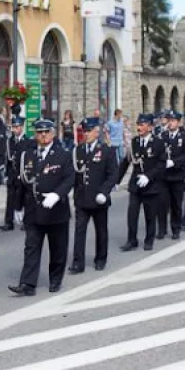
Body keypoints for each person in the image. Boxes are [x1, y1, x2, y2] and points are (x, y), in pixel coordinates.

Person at [8, 119, 74, 295]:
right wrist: (18, 206)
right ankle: (27, 284)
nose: (43, 135)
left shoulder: (63, 155)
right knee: (31, 247)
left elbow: (69, 179)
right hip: (33, 209)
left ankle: (55, 279)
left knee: (57, 248)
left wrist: (57, 194)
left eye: (46, 132)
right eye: (39, 132)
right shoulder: (27, 155)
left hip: (56, 211)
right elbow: (21, 182)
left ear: (53, 133)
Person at [70, 117, 117, 273]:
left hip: (99, 199)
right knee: (79, 231)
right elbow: (74, 175)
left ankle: (101, 258)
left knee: (101, 230)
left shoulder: (107, 151)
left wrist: (104, 192)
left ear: (97, 132)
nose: (86, 134)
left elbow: (113, 175)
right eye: (84, 131)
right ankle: (78, 262)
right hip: (82, 198)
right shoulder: (78, 150)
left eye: (89, 131)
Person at [117, 113, 166, 251]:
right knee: (132, 214)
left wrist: (149, 177)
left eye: (142, 125)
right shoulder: (134, 142)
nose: (139, 127)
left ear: (150, 127)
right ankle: (131, 240)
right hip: (135, 184)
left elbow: (161, 164)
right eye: (138, 124)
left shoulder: (158, 143)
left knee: (150, 214)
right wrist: (116, 181)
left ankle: (149, 240)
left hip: (151, 185)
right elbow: (125, 163)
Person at [158, 111, 185, 240]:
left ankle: (175, 228)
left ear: (178, 122)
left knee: (176, 204)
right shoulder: (163, 136)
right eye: (169, 120)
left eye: (173, 120)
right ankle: (162, 229)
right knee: (162, 204)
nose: (170, 123)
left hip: (177, 176)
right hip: (164, 176)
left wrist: (175, 162)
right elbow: (158, 151)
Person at [3, 116, 30, 231]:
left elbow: (29, 159)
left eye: (17, 127)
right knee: (10, 198)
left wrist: (26, 174)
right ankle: (8, 222)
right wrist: (6, 174)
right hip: (12, 173)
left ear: (22, 127)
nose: (15, 129)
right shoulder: (9, 141)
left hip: (23, 173)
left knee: (24, 197)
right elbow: (8, 159)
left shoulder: (27, 141)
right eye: (13, 127)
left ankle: (26, 221)